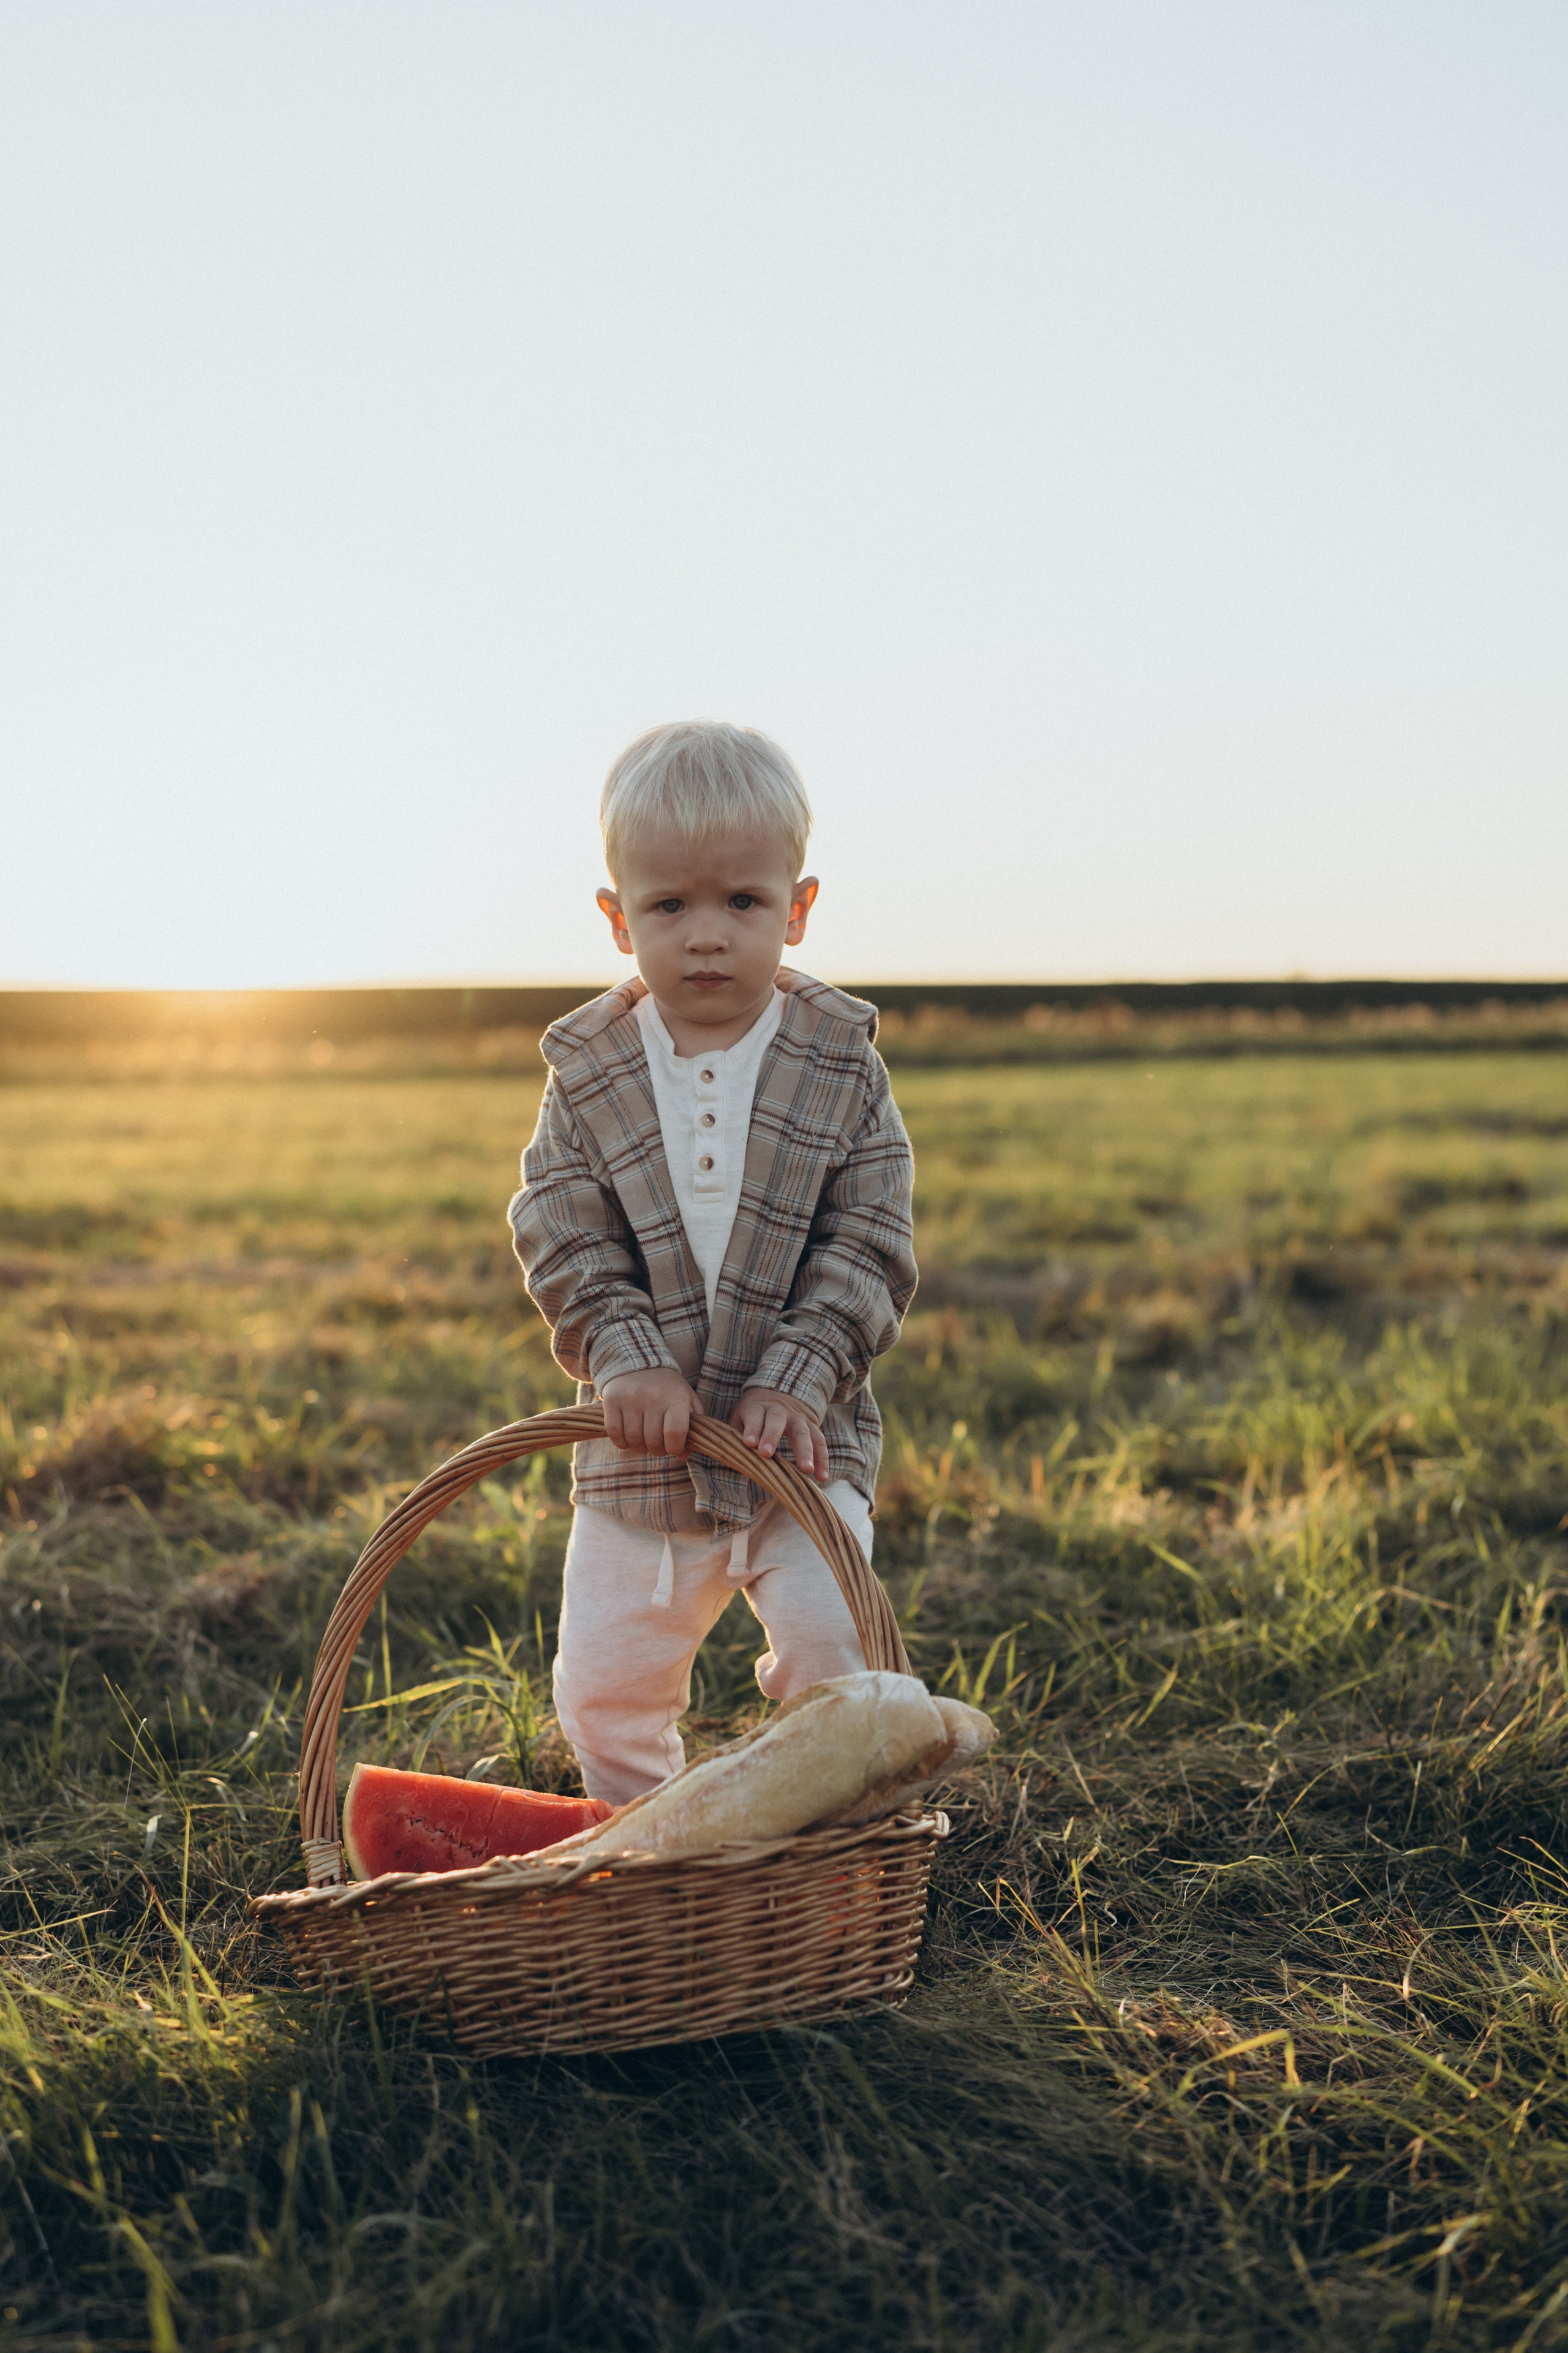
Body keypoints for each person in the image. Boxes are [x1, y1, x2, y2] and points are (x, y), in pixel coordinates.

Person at [509, 720, 918, 1805]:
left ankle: (821, 1834)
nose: (705, 937)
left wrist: (801, 1373)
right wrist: (624, 1353)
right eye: (668, 906)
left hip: (801, 1444)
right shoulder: (589, 1073)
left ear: (798, 906)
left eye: (741, 902)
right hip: (642, 1449)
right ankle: (646, 1839)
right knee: (603, 1685)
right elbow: (561, 1224)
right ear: (616, 917)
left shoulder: (840, 1065)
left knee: (840, 1648)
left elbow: (869, 1238)